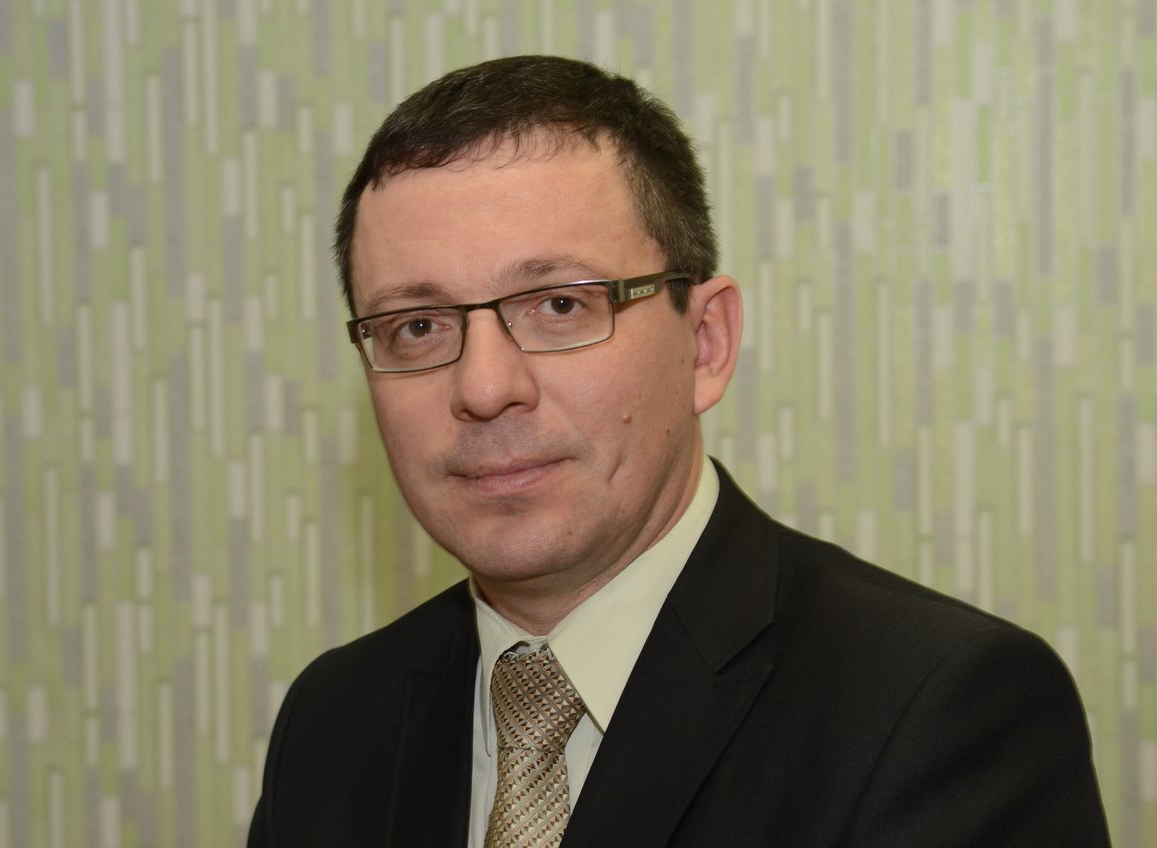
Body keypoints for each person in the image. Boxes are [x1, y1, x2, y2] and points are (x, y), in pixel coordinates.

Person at [249, 55, 1109, 847]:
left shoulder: (936, 707)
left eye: (559, 306)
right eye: (417, 326)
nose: (483, 387)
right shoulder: (334, 719)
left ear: (705, 344)